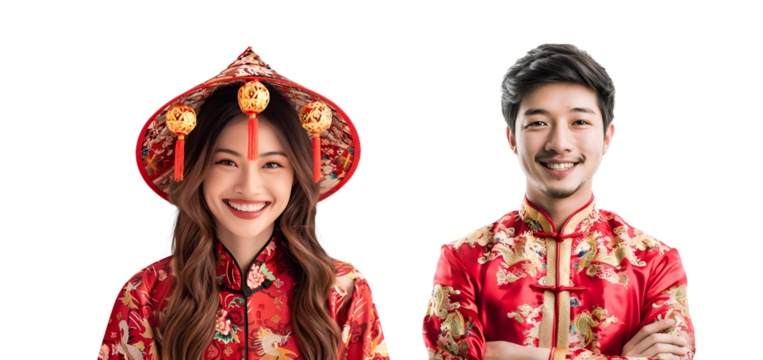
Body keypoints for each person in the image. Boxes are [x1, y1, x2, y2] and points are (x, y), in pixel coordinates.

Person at [97, 45, 389, 360]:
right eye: (226, 162)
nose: (249, 187)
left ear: (297, 176)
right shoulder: (146, 292)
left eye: (272, 164)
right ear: (196, 171)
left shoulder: (343, 290)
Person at [421, 42, 695, 360]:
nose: (559, 144)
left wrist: (506, 355)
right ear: (511, 138)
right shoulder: (464, 258)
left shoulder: (655, 262)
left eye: (579, 122)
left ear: (607, 136)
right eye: (538, 123)